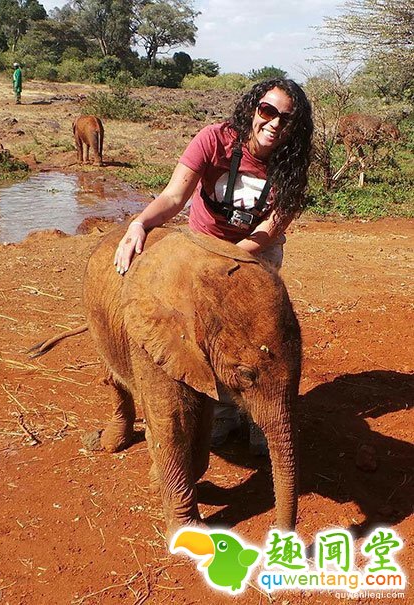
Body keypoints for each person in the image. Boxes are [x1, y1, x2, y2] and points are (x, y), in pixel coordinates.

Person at [113, 78, 314, 455]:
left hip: (256, 252)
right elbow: (174, 196)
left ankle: (260, 415)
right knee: (206, 333)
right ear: (253, 109)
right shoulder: (214, 139)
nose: (274, 124)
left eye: (286, 120)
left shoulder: (292, 167)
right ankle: (222, 410)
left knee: (256, 336)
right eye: (267, 112)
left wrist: (234, 260)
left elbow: (270, 230)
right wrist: (140, 223)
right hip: (202, 248)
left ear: (295, 128)